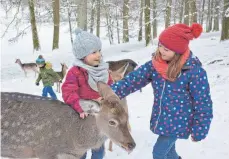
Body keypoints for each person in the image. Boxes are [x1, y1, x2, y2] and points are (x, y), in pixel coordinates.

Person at [110, 23, 213, 159]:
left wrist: (200, 128)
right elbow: (133, 80)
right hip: (164, 119)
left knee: (158, 153)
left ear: (178, 51)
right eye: (160, 46)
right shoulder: (155, 64)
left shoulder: (193, 71)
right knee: (170, 154)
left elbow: (203, 102)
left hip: (179, 122)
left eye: (167, 49)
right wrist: (111, 92)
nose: (162, 51)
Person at [61, 29, 113, 159]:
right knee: (82, 149)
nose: (99, 55)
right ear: (82, 55)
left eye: (99, 51)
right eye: (94, 52)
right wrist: (80, 106)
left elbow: (110, 88)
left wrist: (108, 99)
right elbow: (68, 91)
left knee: (98, 148)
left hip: (100, 116)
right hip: (82, 116)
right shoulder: (75, 72)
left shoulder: (103, 70)